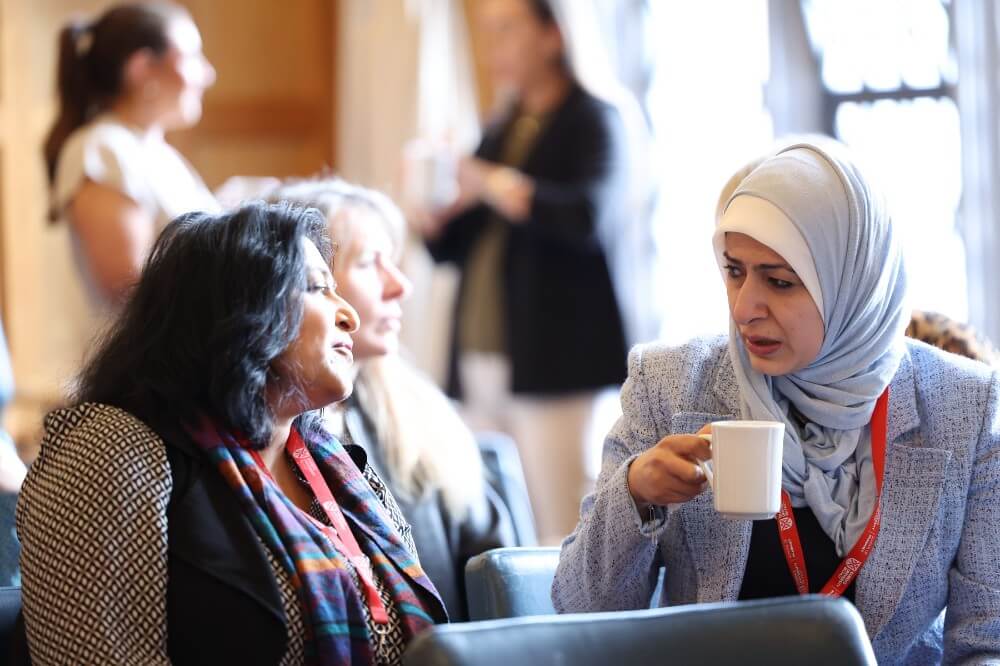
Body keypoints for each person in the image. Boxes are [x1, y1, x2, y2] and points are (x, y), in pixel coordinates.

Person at [552, 142, 1000, 663]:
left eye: (780, 281)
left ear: (848, 283)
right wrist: (635, 496)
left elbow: (986, 641)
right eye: (734, 271)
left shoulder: (963, 406)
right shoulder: (672, 385)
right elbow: (579, 612)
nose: (744, 309)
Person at [16, 203, 446, 665]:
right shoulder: (113, 449)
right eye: (319, 289)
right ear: (236, 312)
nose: (349, 316)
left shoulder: (331, 460)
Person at [414, 0, 634, 544]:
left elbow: (583, 217)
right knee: (495, 520)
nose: (494, 50)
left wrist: (488, 182)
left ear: (553, 35)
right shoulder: (504, 127)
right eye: (488, 34)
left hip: (556, 358)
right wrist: (430, 217)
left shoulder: (594, 118)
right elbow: (453, 250)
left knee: (560, 524)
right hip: (483, 355)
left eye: (507, 31)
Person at [268, 178, 516, 621]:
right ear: (305, 286)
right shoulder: (269, 433)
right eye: (368, 263)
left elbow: (500, 570)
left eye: (393, 261)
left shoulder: (420, 412)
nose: (399, 285)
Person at [43, 1, 219, 320]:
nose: (208, 73)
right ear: (140, 68)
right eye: (192, 56)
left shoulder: (158, 152)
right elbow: (127, 292)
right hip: (148, 365)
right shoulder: (101, 149)